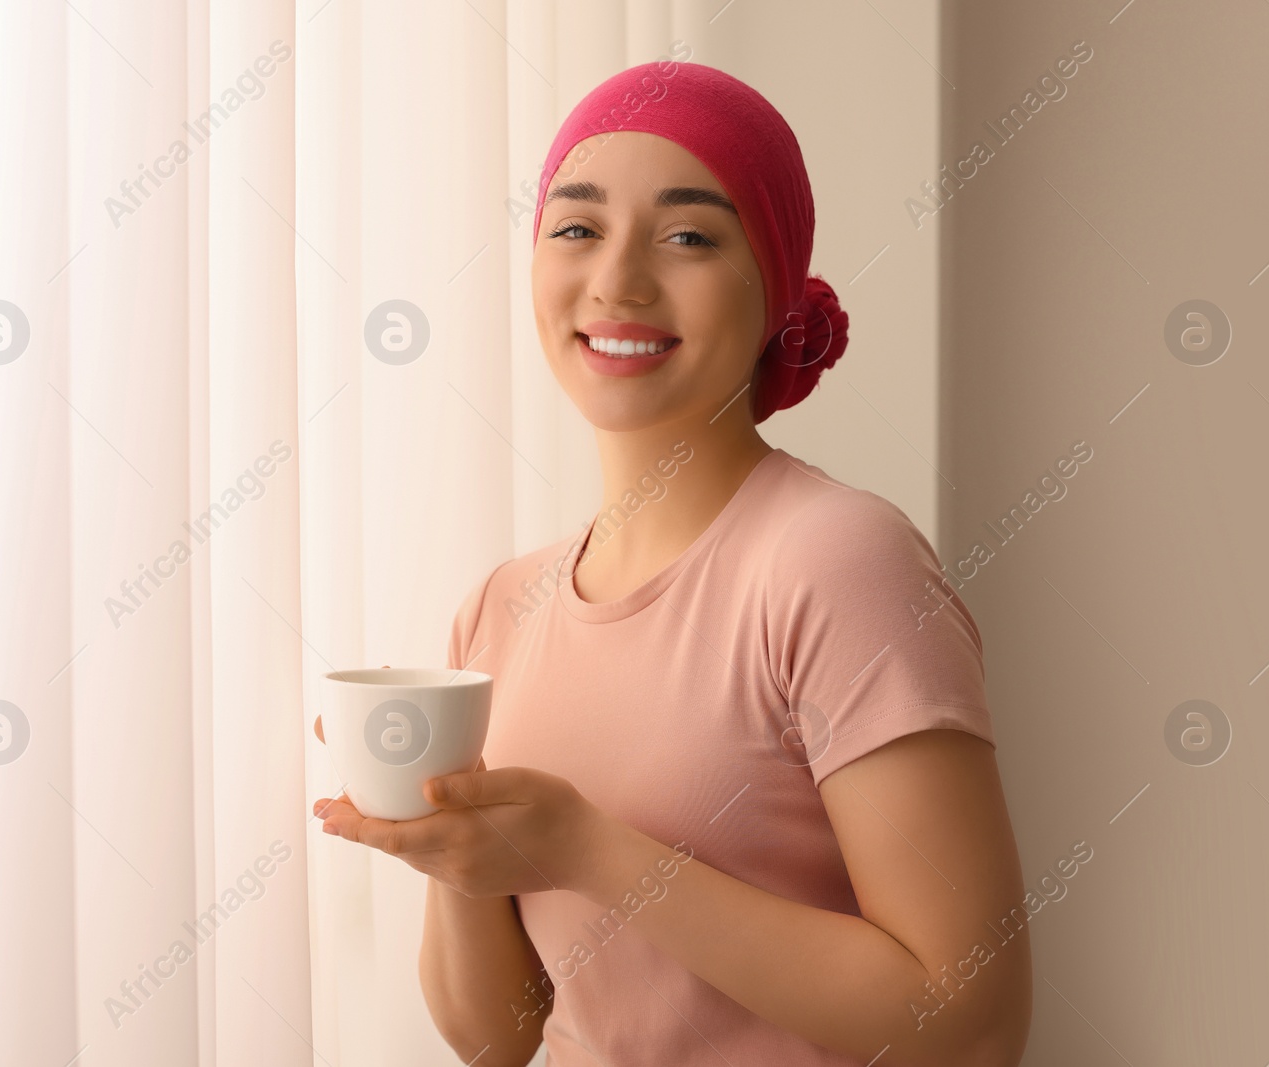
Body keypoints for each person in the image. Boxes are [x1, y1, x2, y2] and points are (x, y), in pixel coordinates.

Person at [313, 60, 1030, 1066]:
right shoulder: (501, 607)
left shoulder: (838, 562)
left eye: (689, 235)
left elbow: (970, 1023)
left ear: (773, 281)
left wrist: (588, 850)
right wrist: (449, 833)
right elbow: (497, 1035)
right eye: (576, 227)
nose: (617, 280)